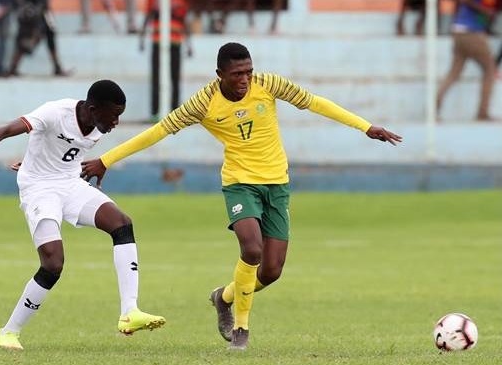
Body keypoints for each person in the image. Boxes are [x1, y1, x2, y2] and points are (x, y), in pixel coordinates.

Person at [80, 42, 403, 350]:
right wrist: (106, 159)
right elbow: (159, 130)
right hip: (240, 184)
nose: (245, 79)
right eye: (237, 74)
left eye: (248, 71)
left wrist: (364, 126)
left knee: (272, 271)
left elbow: (314, 102)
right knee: (252, 249)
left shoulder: (269, 84)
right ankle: (241, 329)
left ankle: (224, 297)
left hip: (277, 184)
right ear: (219, 73)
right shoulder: (203, 102)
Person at [0, 80, 166, 350]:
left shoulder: (98, 125)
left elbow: (65, 154)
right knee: (53, 264)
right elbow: (9, 128)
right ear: (92, 109)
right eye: (113, 115)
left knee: (122, 224)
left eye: (119, 115)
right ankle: (8, 332)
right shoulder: (54, 113)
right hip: (39, 189)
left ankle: (130, 312)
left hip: (69, 184)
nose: (116, 122)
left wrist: (54, 163)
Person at [437, 0, 497, 121]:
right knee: (490, 69)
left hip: (460, 31)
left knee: (454, 73)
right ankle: (482, 112)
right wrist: (484, 10)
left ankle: (433, 109)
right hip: (470, 33)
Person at [139, 0, 193, 123]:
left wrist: (189, 44)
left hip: (175, 42)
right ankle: (155, 113)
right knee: (156, 78)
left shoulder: (181, 2)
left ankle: (175, 112)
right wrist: (142, 38)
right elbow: (148, 16)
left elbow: (184, 21)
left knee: (175, 78)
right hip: (158, 42)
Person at [7, 0, 71, 77]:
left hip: (40, 10)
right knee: (24, 38)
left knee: (49, 34)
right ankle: (13, 68)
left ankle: (57, 67)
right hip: (27, 9)